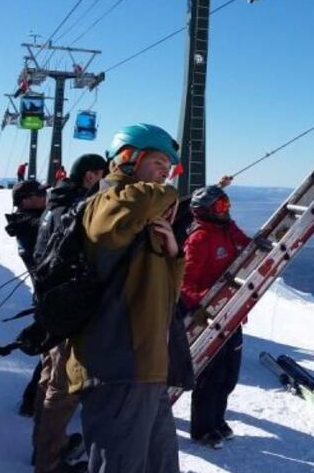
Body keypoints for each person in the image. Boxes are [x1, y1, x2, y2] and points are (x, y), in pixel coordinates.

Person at [67, 124, 184, 473]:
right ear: (128, 158)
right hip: (118, 365)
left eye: (169, 169)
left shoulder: (142, 217)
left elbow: (166, 295)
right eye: (159, 164)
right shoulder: (106, 202)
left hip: (145, 366)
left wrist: (173, 253)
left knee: (160, 464)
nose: (165, 175)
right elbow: (107, 225)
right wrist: (169, 195)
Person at [30, 154, 109, 473]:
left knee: (49, 378)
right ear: (90, 177)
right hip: (66, 308)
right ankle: (48, 461)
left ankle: (46, 446)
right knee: (61, 389)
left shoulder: (54, 203)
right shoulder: (76, 208)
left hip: (49, 303)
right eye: (101, 176)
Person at [181, 176, 250, 449]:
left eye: (226, 204)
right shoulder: (199, 240)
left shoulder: (226, 230)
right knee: (211, 376)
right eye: (221, 206)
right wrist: (203, 304)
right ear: (207, 210)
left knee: (229, 374)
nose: (226, 209)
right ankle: (202, 428)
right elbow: (184, 283)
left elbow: (245, 244)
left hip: (231, 316)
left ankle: (217, 420)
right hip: (210, 318)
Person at [4, 179, 48, 419]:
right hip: (49, 297)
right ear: (26, 200)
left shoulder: (26, 221)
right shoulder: (29, 223)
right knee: (54, 352)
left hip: (46, 295)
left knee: (52, 352)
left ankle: (33, 402)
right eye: (40, 193)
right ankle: (32, 402)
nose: (46, 196)